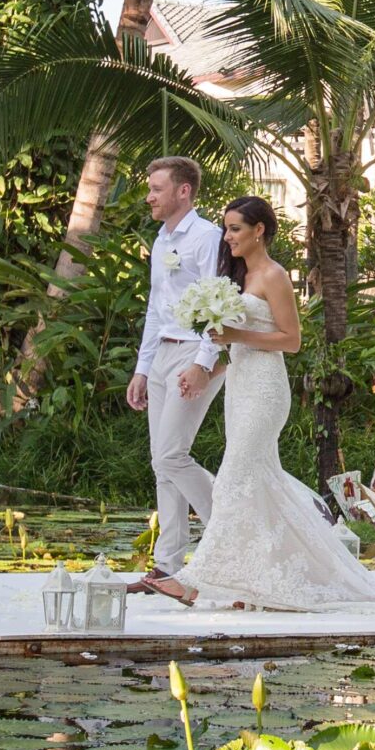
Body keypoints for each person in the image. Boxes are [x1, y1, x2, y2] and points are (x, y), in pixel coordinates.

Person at [146, 197, 375, 610]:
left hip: (266, 390)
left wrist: (235, 337)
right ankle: (253, 581)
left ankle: (195, 581)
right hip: (239, 386)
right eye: (226, 228)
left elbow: (291, 340)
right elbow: (235, 346)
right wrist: (208, 373)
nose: (227, 236)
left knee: (233, 478)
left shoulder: (274, 275)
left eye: (235, 228)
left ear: (259, 230)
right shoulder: (236, 277)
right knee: (258, 482)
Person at [128, 157, 225, 597]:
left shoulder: (207, 237)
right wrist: (142, 368)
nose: (149, 197)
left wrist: (202, 364)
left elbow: (219, 307)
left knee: (171, 455)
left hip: (193, 352)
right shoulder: (161, 237)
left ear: (183, 191)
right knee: (161, 463)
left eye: (156, 188)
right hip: (163, 353)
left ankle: (228, 528)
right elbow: (155, 308)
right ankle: (166, 568)